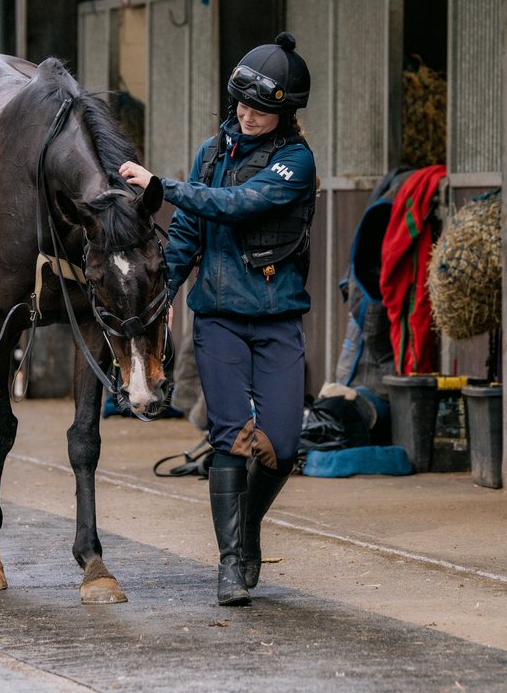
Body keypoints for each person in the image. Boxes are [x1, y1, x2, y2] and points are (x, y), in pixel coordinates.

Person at [120, 32, 317, 606]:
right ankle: (232, 563)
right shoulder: (211, 153)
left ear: (285, 114)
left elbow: (240, 205)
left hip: (278, 319)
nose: (248, 115)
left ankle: (247, 529)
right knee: (230, 437)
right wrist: (161, 297)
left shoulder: (294, 162)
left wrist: (166, 188)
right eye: (242, 104)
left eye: (262, 108)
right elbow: (185, 234)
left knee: (283, 439)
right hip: (219, 321)